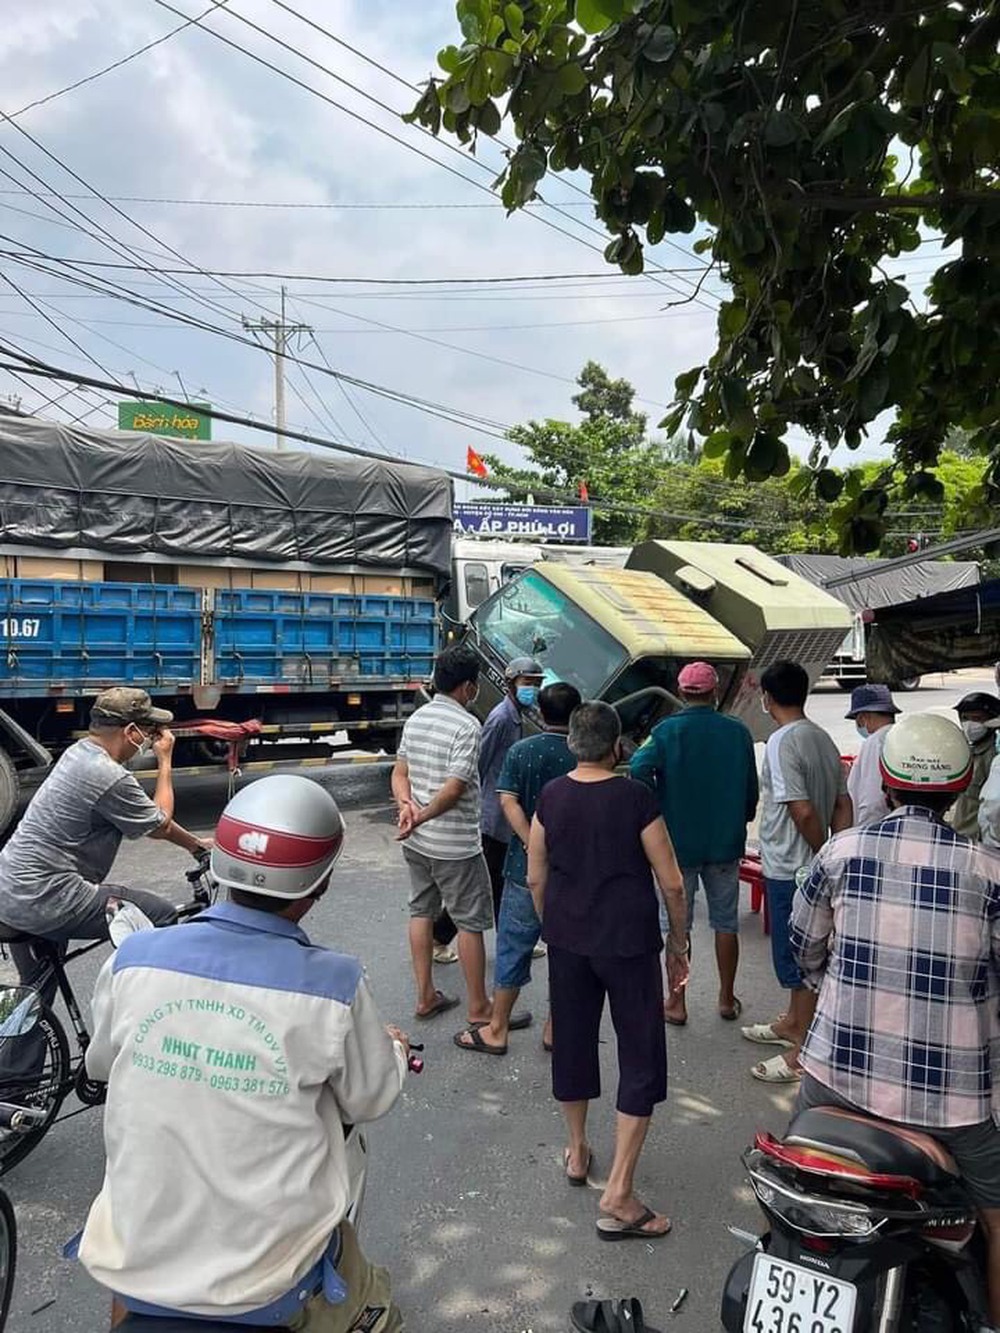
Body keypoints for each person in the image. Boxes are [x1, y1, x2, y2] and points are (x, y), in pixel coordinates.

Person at [78, 774, 410, 1330]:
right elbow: (371, 1097)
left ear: (220, 865)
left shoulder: (134, 958)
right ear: (321, 884)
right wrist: (394, 1050)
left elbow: (103, 1065)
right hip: (268, 1284)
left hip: (133, 1261)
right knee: (377, 1305)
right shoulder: (335, 986)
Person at [790, 713, 1000, 1330]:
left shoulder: (841, 850)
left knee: (799, 1178)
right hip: (955, 1107)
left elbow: (804, 950)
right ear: (961, 789)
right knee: (995, 1210)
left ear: (883, 779)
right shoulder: (988, 872)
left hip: (834, 1080)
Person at [528, 701, 689, 1241]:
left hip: (570, 940)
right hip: (627, 943)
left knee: (572, 1042)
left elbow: (534, 874)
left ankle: (577, 1151)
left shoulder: (551, 796)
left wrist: (554, 922)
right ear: (616, 744)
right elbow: (670, 881)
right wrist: (679, 942)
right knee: (639, 1052)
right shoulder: (635, 797)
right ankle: (619, 1188)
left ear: (574, 742)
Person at [0, 688, 208, 1076]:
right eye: (147, 731)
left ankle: (15, 1091)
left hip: (10, 889)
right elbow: (160, 823)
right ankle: (136, 1037)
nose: (148, 739)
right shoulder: (106, 774)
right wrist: (165, 761)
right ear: (130, 731)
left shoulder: (77, 755)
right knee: (160, 915)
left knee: (34, 988)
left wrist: (196, 844)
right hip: (48, 894)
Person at [392, 645, 519, 1031]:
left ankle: (425, 995)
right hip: (456, 846)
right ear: (467, 687)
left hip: (416, 842)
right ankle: (479, 1008)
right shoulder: (467, 726)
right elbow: (454, 790)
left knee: (421, 911)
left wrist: (407, 809)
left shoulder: (417, 718)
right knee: (470, 923)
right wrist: (421, 814)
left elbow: (399, 773)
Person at [454, 681, 581, 1058]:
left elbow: (507, 800)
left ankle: (497, 1028)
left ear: (539, 713)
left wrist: (530, 842)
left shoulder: (523, 751)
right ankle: (555, 1027)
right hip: (572, 870)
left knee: (512, 948)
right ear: (577, 716)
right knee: (565, 949)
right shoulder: (584, 755)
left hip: (523, 868)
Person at [741, 660, 852, 1084]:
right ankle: (791, 1022)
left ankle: (802, 1044)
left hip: (792, 866)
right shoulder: (821, 737)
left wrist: (823, 854)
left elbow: (802, 809)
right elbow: (842, 803)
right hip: (812, 863)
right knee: (808, 950)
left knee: (797, 956)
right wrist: (837, 852)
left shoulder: (782, 741)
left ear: (767, 698)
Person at [630, 661, 757, 1026]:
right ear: (715, 692)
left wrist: (656, 806)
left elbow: (639, 767)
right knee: (725, 923)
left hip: (678, 844)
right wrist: (742, 816)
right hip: (725, 843)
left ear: (683, 692)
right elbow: (751, 786)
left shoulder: (667, 731)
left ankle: (676, 1001)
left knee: (677, 926)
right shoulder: (737, 731)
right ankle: (726, 998)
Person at [478, 655, 545, 923]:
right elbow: (481, 762)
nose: (533, 689)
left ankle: (510, 932)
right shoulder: (501, 718)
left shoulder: (517, 714)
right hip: (494, 814)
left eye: (537, 684)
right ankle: (441, 933)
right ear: (510, 684)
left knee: (496, 881)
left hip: (505, 814)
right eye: (527, 683)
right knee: (491, 881)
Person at [845, 682, 900, 827]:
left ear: (863, 717)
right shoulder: (900, 735)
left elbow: (872, 802)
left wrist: (865, 835)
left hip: (877, 830)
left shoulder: (875, 742)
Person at [950, 691, 1000, 838]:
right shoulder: (967, 749)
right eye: (965, 718)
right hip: (962, 834)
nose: (970, 725)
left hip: (979, 840)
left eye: (977, 719)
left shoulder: (993, 756)